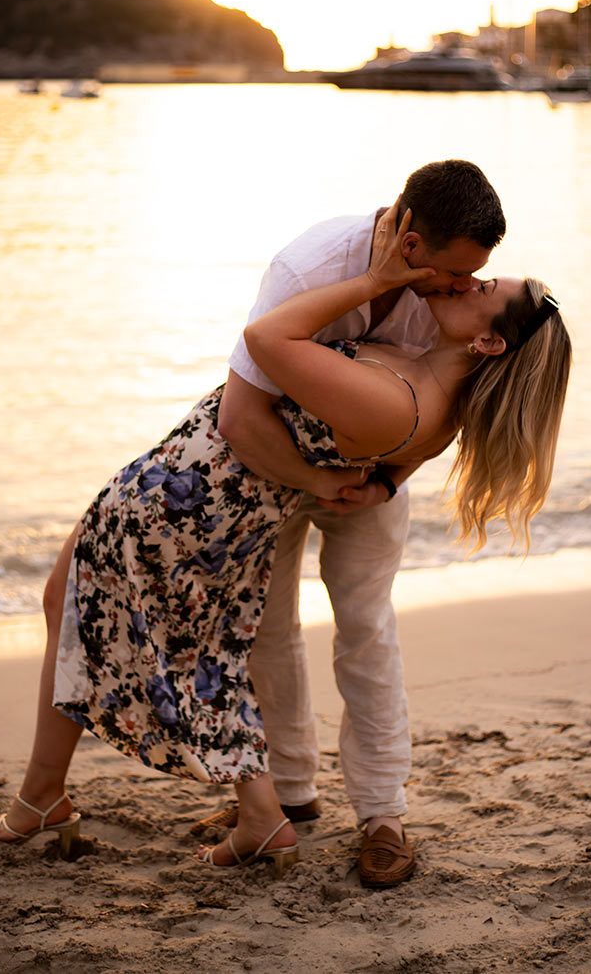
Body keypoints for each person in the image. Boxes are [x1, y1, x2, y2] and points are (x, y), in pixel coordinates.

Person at [0, 194, 571, 886]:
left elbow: (264, 341)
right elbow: (408, 432)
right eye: (469, 274)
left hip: (193, 493)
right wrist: (381, 479)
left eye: (484, 287)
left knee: (146, 633)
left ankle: (78, 800)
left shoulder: (402, 388)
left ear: (489, 341)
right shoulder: (427, 375)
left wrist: (375, 286)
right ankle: (212, 803)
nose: (467, 283)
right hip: (208, 487)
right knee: (145, 629)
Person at [206, 159, 508, 885]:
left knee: (366, 625)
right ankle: (290, 793)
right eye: (452, 276)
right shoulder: (307, 268)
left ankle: (382, 811)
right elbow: (238, 415)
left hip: (371, 475)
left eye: (476, 276)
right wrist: (313, 479)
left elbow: (442, 407)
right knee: (267, 626)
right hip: (271, 462)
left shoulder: (451, 294)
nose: (464, 289)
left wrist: (383, 481)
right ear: (409, 245)